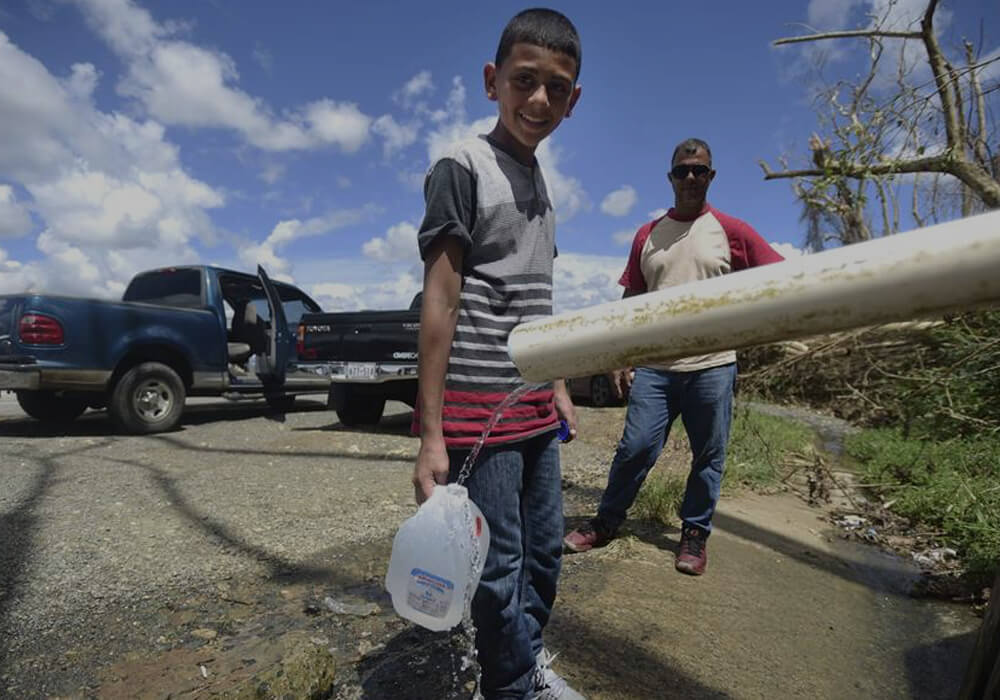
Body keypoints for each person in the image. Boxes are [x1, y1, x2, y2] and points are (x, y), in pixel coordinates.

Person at [411, 9, 584, 700]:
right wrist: (429, 436)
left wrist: (561, 384)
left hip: (536, 405)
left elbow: (538, 298)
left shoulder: (542, 183)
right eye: (524, 81)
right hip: (480, 413)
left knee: (546, 551)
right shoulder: (462, 166)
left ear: (574, 100)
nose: (538, 99)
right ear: (492, 81)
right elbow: (440, 300)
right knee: (499, 562)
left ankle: (525, 661)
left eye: (556, 88)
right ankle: (509, 685)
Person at [563, 138, 784, 576]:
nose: (690, 178)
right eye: (682, 170)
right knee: (634, 448)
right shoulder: (648, 235)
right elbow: (630, 300)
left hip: (712, 366)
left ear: (710, 176)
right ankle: (606, 522)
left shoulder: (731, 231)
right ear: (670, 177)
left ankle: (694, 535)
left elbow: (778, 276)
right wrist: (617, 356)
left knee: (709, 456)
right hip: (656, 370)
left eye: (699, 170)